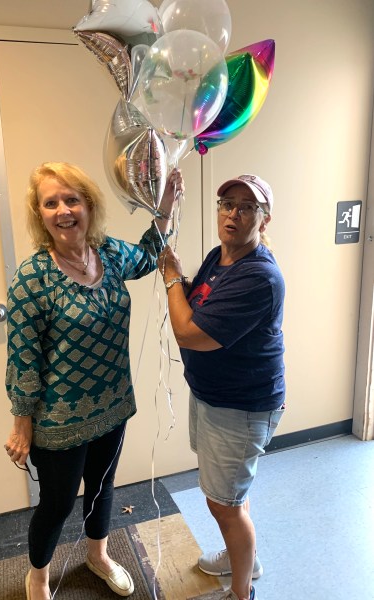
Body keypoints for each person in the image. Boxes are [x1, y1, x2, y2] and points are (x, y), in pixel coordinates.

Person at [4, 161, 183, 600]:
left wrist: (164, 205)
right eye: (51, 203)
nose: (63, 211)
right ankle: (39, 577)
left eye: (72, 199)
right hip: (59, 421)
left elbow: (149, 254)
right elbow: (23, 357)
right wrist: (22, 424)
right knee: (57, 504)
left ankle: (98, 556)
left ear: (89, 205)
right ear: (40, 214)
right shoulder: (32, 278)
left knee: (102, 489)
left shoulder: (109, 253)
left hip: (113, 404)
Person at [157, 174, 285, 600]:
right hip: (213, 397)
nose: (233, 214)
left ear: (264, 219)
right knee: (231, 495)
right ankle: (240, 559)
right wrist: (166, 209)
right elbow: (198, 303)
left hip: (241, 408)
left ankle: (241, 591)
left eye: (247, 207)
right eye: (227, 203)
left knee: (223, 504)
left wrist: (172, 278)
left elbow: (189, 333)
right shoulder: (220, 256)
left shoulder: (259, 277)